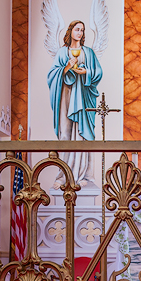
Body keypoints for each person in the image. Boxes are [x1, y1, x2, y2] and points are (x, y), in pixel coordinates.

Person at [47, 20, 103, 185]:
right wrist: (66, 68)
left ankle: (84, 174)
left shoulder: (88, 52)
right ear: (70, 31)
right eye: (77, 29)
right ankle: (64, 174)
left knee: (82, 134)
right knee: (65, 132)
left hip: (83, 96)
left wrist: (87, 71)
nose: (79, 33)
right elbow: (52, 75)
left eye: (82, 30)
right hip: (66, 96)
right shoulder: (62, 52)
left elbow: (98, 72)